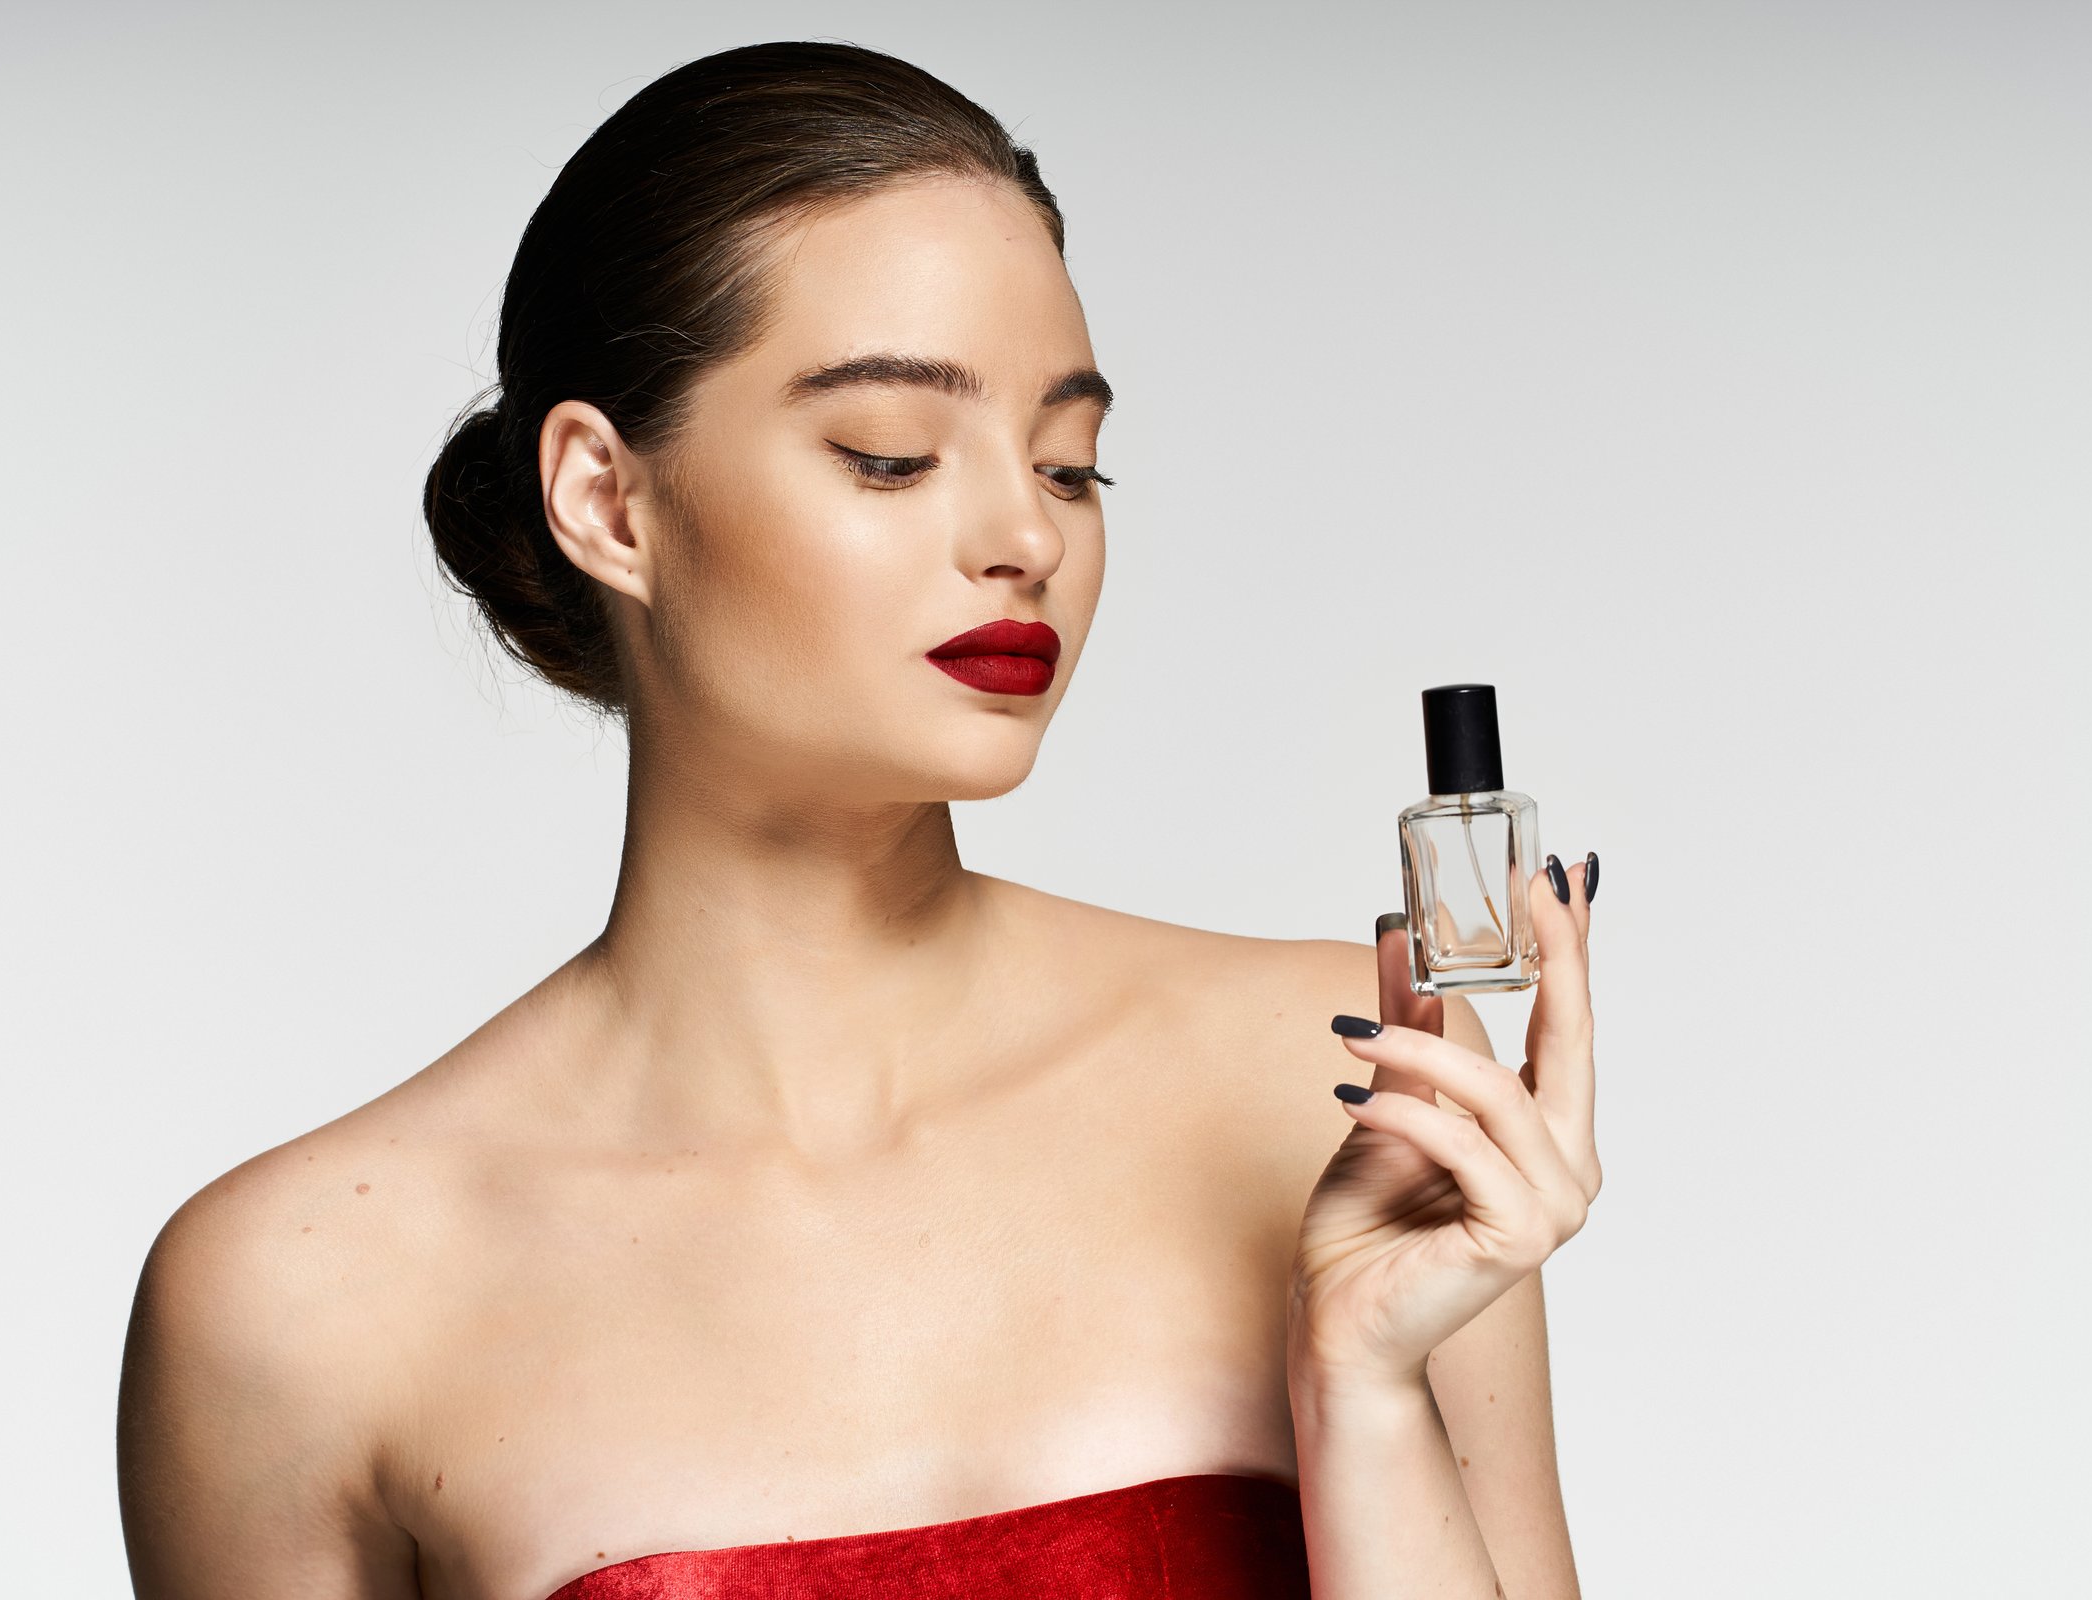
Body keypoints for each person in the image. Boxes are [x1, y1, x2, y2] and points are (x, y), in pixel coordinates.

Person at [115, 39, 1602, 1600]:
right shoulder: (302, 1302)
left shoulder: (1349, 1089)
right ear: (607, 500)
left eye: (1071, 467)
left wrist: (1363, 1390)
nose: (1025, 536)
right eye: (890, 456)